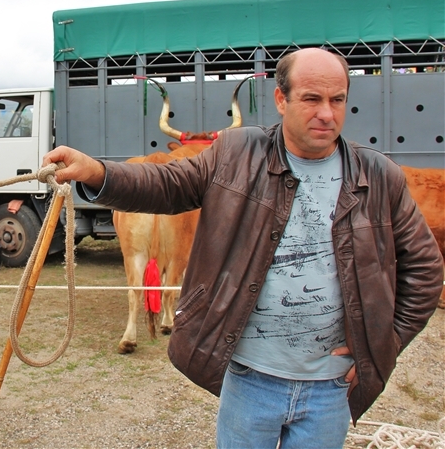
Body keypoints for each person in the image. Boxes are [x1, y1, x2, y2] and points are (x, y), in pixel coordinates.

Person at [42, 48, 443, 448]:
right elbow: (165, 184)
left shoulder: (378, 176)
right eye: (311, 99)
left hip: (330, 388)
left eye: (337, 100)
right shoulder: (237, 154)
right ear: (281, 100)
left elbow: (426, 269)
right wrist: (97, 171)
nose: (327, 113)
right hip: (250, 380)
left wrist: (384, 342)